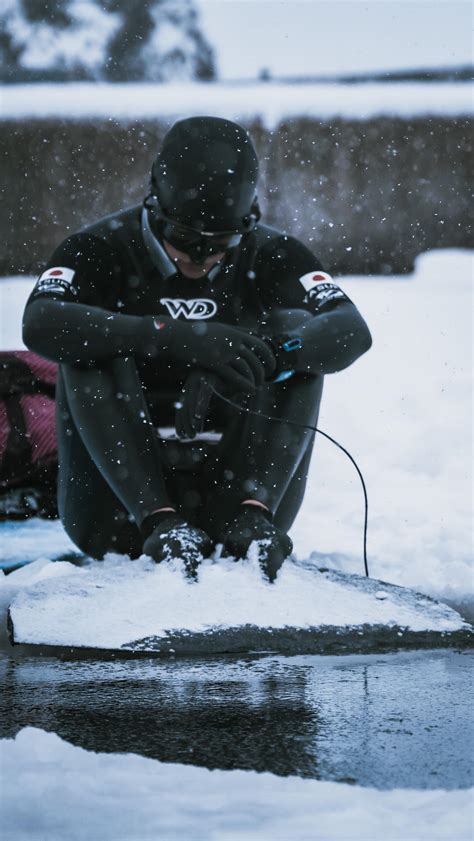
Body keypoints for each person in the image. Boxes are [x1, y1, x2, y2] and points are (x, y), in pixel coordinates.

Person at [22, 116, 372, 581]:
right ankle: (161, 520)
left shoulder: (272, 254)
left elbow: (350, 329)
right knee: (88, 336)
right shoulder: (98, 248)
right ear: (153, 202)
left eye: (223, 242)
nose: (202, 257)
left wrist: (269, 354)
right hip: (117, 514)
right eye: (184, 238)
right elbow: (41, 323)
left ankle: (253, 512)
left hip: (237, 507)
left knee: (299, 335)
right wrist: (176, 338)